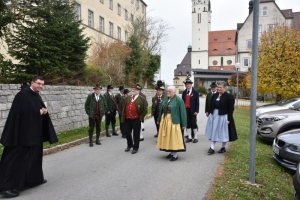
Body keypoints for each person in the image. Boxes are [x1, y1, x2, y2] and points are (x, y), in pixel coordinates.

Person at [0, 76, 58, 198]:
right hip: (21, 136)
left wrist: (44, 111)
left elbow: (35, 108)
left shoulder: (35, 95)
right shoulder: (23, 95)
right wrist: (39, 112)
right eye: (38, 84)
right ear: (32, 83)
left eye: (42, 84)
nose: (41, 86)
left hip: (34, 135)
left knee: (34, 158)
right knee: (16, 160)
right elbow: (21, 112)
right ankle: (7, 187)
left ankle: (34, 179)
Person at [205, 81, 238, 155]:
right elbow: (211, 105)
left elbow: (231, 109)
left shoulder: (229, 97)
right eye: (218, 87)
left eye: (221, 87)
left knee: (223, 132)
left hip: (223, 116)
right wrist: (209, 112)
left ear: (224, 88)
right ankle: (212, 147)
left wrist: (229, 119)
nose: (219, 89)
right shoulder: (215, 95)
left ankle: (223, 147)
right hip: (214, 115)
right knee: (213, 131)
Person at [156, 86, 187, 162]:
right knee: (168, 137)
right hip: (165, 120)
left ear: (174, 92)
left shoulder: (179, 100)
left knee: (174, 137)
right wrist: (159, 119)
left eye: (170, 91)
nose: (168, 92)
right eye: (167, 91)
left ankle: (175, 155)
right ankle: (171, 152)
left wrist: (184, 124)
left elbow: (183, 113)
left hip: (174, 121)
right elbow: (161, 110)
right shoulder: (165, 99)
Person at [121, 84, 148, 154]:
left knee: (136, 134)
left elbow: (145, 110)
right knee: (127, 133)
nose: (133, 90)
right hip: (127, 119)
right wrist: (123, 117)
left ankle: (135, 147)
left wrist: (140, 117)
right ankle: (129, 145)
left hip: (136, 119)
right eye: (133, 89)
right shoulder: (128, 98)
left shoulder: (142, 99)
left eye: (135, 89)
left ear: (138, 91)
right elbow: (124, 108)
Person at [182, 75, 200, 143]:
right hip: (186, 110)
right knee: (188, 123)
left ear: (191, 84)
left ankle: (195, 137)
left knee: (194, 123)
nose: (188, 85)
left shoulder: (195, 92)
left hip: (193, 110)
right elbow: (182, 101)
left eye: (189, 84)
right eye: (186, 84)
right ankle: (189, 137)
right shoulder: (184, 92)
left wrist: (196, 110)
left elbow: (197, 102)